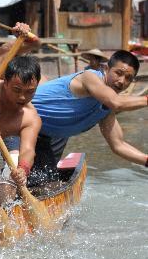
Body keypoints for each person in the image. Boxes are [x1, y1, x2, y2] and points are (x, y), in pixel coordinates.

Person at [31, 50, 147, 182]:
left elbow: (118, 145)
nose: (121, 81)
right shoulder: (89, 76)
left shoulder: (107, 108)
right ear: (106, 69)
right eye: (118, 73)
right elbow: (116, 102)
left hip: (43, 136)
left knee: (45, 185)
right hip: (18, 119)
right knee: (15, 178)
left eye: (128, 78)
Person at [0, 56, 43, 206]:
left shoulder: (31, 117)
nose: (23, 97)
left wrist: (23, 169)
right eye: (17, 90)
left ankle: (6, 199)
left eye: (30, 91)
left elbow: (28, 150)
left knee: (3, 203)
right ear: (5, 82)